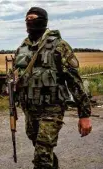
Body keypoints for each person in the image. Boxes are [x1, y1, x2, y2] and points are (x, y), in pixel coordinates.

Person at [13, 7, 92, 169]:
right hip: (30, 109)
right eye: (26, 19)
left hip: (52, 108)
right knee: (40, 146)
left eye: (32, 18)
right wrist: (13, 103)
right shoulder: (23, 48)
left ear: (42, 20)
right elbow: (17, 79)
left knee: (42, 154)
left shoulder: (59, 46)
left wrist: (84, 115)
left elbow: (75, 82)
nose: (29, 21)